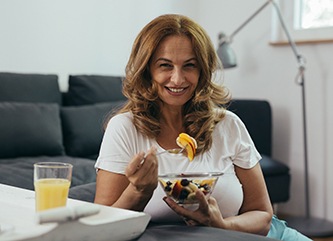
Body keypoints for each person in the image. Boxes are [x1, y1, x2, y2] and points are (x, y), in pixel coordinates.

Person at [94, 14, 312, 241]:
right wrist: (139, 191)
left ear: (203, 70)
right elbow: (101, 227)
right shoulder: (124, 129)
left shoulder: (228, 124)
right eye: (165, 65)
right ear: (147, 69)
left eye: (189, 65)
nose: (177, 79)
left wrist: (220, 225)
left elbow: (263, 215)